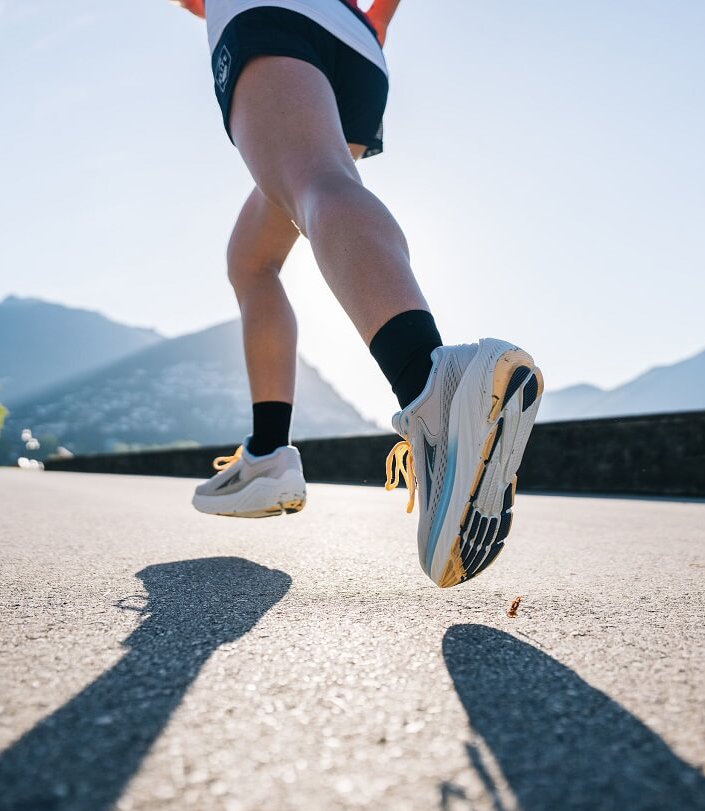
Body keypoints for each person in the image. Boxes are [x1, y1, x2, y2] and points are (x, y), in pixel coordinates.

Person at [180, 0, 543, 588]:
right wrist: (373, 25)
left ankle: (433, 388)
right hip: (357, 47)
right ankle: (269, 454)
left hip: (271, 18)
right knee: (253, 260)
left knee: (315, 184)